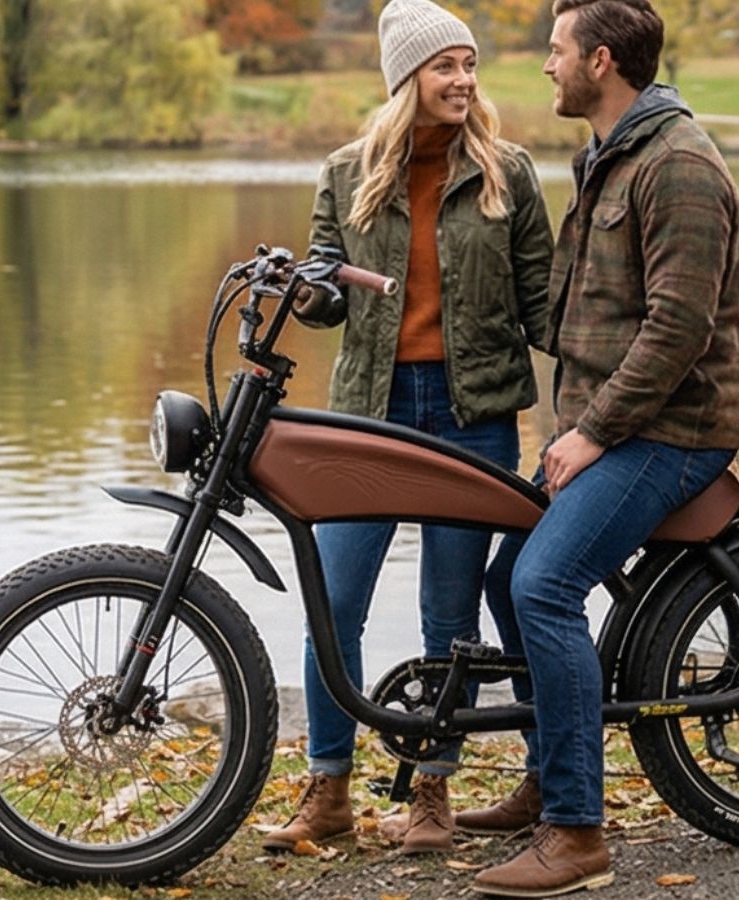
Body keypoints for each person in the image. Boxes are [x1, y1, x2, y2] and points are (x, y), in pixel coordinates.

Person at [467, 0, 739, 895]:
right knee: (505, 571)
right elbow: (575, 313)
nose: (544, 66)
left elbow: (677, 329)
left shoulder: (679, 165)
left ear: (599, 60)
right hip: (614, 425)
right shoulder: (612, 156)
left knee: (543, 585)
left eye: (555, 51)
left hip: (673, 430)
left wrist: (591, 433)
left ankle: (578, 832)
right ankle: (549, 775)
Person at [261, 0, 556, 857]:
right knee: (335, 604)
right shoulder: (347, 174)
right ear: (406, 80)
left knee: (449, 616)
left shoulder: (511, 172)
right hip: (371, 417)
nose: (464, 80)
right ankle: (329, 791)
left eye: (470, 65)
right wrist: (308, 290)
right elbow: (324, 302)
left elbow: (544, 306)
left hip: (474, 417)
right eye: (445, 67)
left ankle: (432, 793)